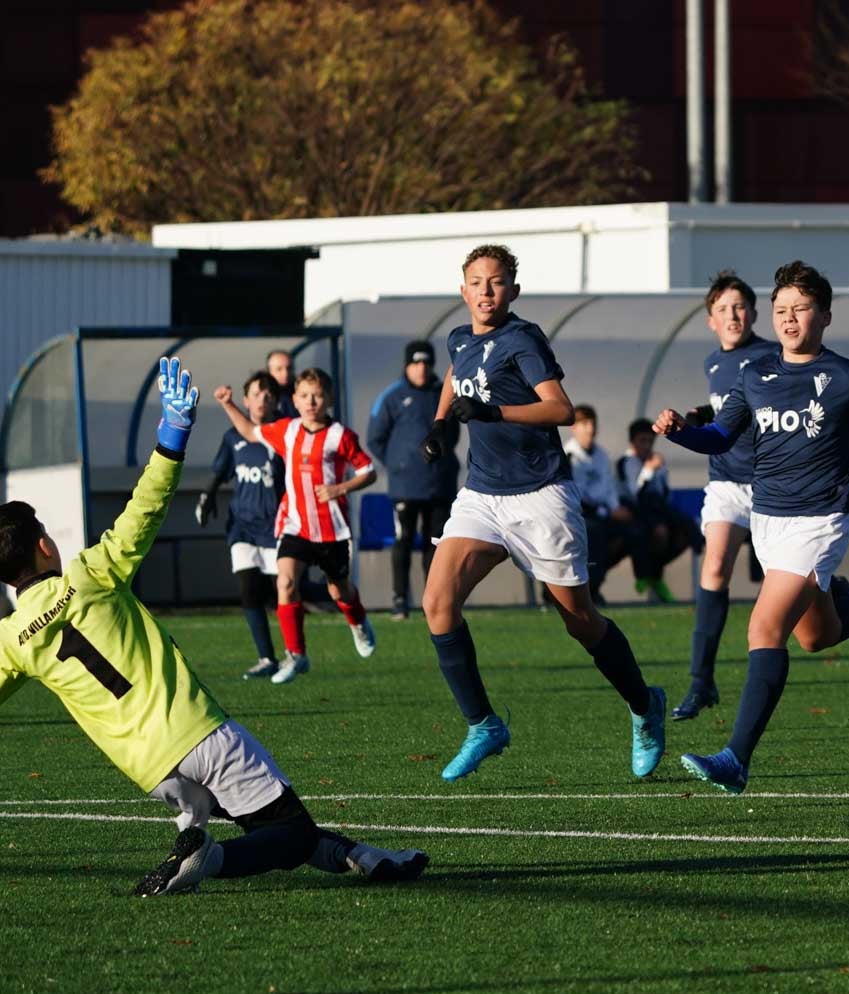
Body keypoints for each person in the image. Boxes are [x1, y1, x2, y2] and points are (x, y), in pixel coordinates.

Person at [0, 357, 426, 896]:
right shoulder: (88, 576)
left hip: (152, 771)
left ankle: (369, 859)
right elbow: (145, 507)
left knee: (275, 825)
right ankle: (207, 858)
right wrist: (173, 435)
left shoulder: (13, 640)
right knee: (288, 832)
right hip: (198, 733)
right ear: (45, 544)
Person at [655, 260, 849, 794]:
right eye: (781, 310)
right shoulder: (754, 375)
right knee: (817, 634)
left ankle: (735, 759)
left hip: (820, 521)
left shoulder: (845, 375)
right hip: (768, 520)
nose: (789, 319)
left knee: (764, 629)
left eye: (801, 309)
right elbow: (721, 436)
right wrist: (680, 434)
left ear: (825, 315)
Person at [419, 244, 666, 782]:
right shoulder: (460, 338)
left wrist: (491, 410)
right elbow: (454, 377)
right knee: (437, 603)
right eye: (477, 282)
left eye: (497, 281)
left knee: (580, 622)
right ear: (463, 291)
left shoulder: (522, 338)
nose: (486, 290)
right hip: (482, 495)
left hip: (540, 496)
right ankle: (483, 724)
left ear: (513, 290)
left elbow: (561, 408)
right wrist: (440, 425)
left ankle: (645, 705)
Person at [214, 367, 378, 683]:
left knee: (338, 589)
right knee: (285, 583)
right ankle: (296, 655)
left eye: (317, 395)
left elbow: (367, 470)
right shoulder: (287, 430)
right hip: (295, 525)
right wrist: (228, 404)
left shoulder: (340, 436)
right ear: (295, 400)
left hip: (332, 529)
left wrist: (340, 488)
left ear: (328, 398)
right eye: (304, 395)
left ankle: (357, 621)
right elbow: (251, 432)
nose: (311, 401)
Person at [670, 271, 781, 721]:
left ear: (754, 314)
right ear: (710, 320)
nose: (732, 316)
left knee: (811, 607)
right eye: (723, 310)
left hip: (772, 484)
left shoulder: (772, 356)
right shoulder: (714, 362)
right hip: (725, 482)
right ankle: (701, 682)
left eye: (739, 308)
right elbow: (726, 409)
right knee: (715, 566)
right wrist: (697, 415)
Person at [195, 370, 285, 678]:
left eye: (269, 394)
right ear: (245, 400)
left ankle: (293, 654)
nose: (263, 399)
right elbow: (220, 471)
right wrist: (207, 497)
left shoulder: (284, 434)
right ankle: (266, 658)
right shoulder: (233, 436)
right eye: (257, 394)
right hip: (242, 526)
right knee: (249, 589)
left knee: (283, 591)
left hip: (276, 526)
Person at [368, 339, 459, 620]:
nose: (421, 368)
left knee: (436, 546)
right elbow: (375, 438)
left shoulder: (443, 393)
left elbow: (452, 434)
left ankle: (433, 601)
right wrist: (399, 464)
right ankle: (399, 601)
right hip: (405, 487)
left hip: (439, 484)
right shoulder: (392, 396)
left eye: (425, 363)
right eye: (415, 363)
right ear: (407, 365)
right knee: (403, 541)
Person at [616, 418, 702, 603]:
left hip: (657, 507)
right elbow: (634, 492)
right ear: (633, 442)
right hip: (637, 510)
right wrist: (648, 470)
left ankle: (655, 573)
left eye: (650, 441)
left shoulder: (656, 460)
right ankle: (651, 576)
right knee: (659, 532)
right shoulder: (627, 462)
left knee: (686, 530)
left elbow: (663, 492)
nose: (647, 446)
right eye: (642, 441)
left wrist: (658, 471)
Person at [563, 403, 633, 602]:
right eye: (583, 423)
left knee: (633, 533)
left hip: (603, 513)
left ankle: (595, 581)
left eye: (592, 423)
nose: (590, 428)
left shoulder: (602, 455)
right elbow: (575, 494)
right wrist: (606, 511)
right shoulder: (567, 456)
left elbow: (608, 486)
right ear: (573, 428)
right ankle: (588, 591)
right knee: (595, 536)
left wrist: (615, 508)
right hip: (579, 515)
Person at [266, 348, 297, 420]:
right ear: (269, 371)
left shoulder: (303, 394)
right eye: (279, 369)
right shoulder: (262, 397)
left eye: (289, 368)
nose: (285, 373)